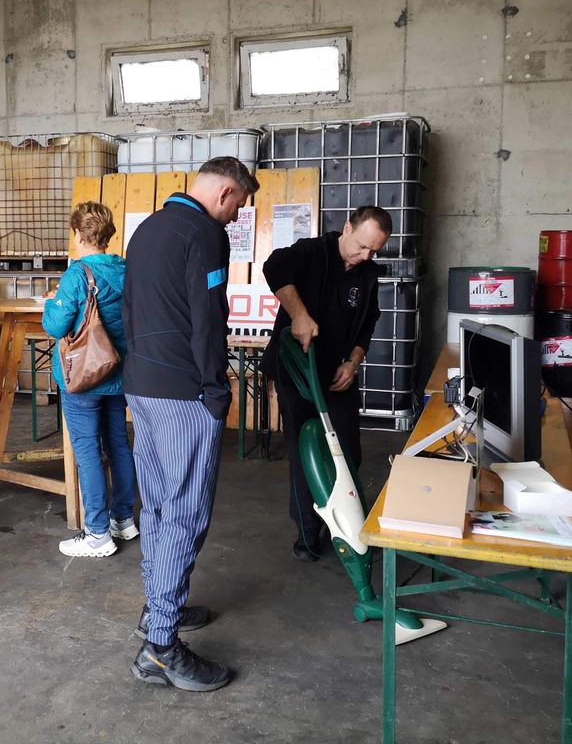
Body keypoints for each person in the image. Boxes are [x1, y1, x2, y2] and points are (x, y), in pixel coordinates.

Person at [123, 156, 259, 692]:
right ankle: (160, 647)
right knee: (184, 514)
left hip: (143, 386)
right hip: (184, 394)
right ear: (225, 193)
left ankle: (159, 609)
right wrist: (216, 390)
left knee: (158, 505)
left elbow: (132, 312)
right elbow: (209, 318)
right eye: (238, 206)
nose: (236, 216)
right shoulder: (204, 234)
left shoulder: (147, 229)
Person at [261, 205, 391, 563]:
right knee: (306, 450)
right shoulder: (312, 251)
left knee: (347, 449)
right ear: (347, 228)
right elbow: (274, 267)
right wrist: (299, 315)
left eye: (374, 251)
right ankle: (307, 532)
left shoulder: (367, 274)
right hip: (297, 372)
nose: (366, 256)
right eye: (362, 246)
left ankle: (345, 521)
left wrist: (353, 362)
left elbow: (369, 321)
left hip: (337, 375)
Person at [42, 202, 137, 558]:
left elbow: (56, 326)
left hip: (83, 378)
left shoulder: (77, 274)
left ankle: (97, 533)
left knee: (88, 452)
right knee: (118, 444)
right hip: (118, 373)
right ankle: (123, 519)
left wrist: (51, 303)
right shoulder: (126, 269)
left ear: (78, 235)